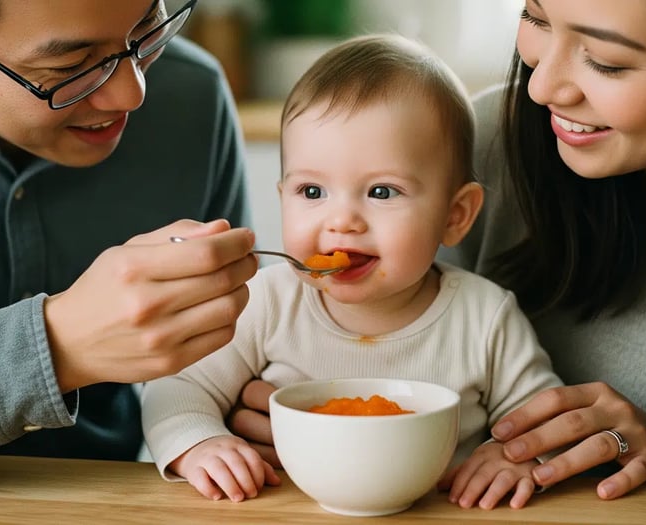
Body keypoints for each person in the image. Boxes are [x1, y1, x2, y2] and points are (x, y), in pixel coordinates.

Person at [228, 0, 646, 504]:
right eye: (536, 19)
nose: (540, 88)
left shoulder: (487, 304)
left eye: (605, 59)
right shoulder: (495, 136)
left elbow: (514, 412)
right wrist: (217, 423)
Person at [140, 33, 564, 510]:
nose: (341, 221)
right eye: (312, 193)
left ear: (455, 215)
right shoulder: (264, 301)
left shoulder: (484, 317)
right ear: (282, 198)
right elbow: (176, 389)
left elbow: (543, 422)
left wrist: (516, 456)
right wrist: (200, 443)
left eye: (382, 192)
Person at [0, 0, 258, 460]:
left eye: (147, 27)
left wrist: (243, 407)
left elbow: (229, 359)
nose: (132, 94)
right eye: (71, 64)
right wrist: (57, 347)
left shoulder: (192, 95)